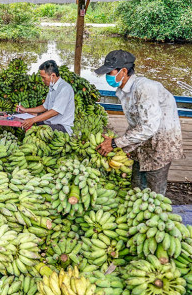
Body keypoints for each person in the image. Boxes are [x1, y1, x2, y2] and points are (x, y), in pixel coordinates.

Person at [95, 50, 184, 195]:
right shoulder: (123, 90)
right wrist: (127, 146)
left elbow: (148, 127)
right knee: (136, 187)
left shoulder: (145, 88)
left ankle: (157, 215)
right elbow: (136, 123)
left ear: (123, 71)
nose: (107, 77)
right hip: (143, 141)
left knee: (154, 191)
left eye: (109, 73)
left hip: (161, 142)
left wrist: (114, 143)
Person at [18, 60, 75, 134]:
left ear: (53, 75)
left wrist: (32, 120)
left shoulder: (64, 89)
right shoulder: (52, 87)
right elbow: (45, 107)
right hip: (50, 122)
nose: (42, 80)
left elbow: (54, 111)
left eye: (44, 78)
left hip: (61, 126)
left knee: (35, 131)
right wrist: (26, 110)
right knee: (32, 115)